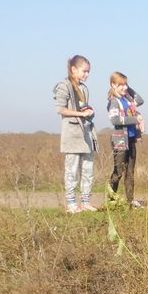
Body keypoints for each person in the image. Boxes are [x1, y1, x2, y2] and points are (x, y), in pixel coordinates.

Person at [53, 55, 99, 213]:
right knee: (71, 170)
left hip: (86, 134)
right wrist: (81, 115)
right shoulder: (63, 86)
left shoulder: (84, 88)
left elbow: (84, 108)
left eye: (88, 72)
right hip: (72, 134)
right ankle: (71, 203)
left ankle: (85, 201)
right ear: (73, 69)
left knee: (88, 169)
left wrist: (89, 112)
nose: (87, 74)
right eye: (84, 71)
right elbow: (60, 109)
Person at [106, 72, 145, 208]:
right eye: (120, 85)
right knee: (118, 171)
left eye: (125, 84)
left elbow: (140, 100)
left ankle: (130, 200)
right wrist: (135, 119)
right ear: (113, 85)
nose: (124, 88)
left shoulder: (128, 100)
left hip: (132, 138)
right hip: (120, 139)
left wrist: (127, 88)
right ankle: (111, 199)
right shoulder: (114, 101)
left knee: (130, 171)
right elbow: (114, 120)